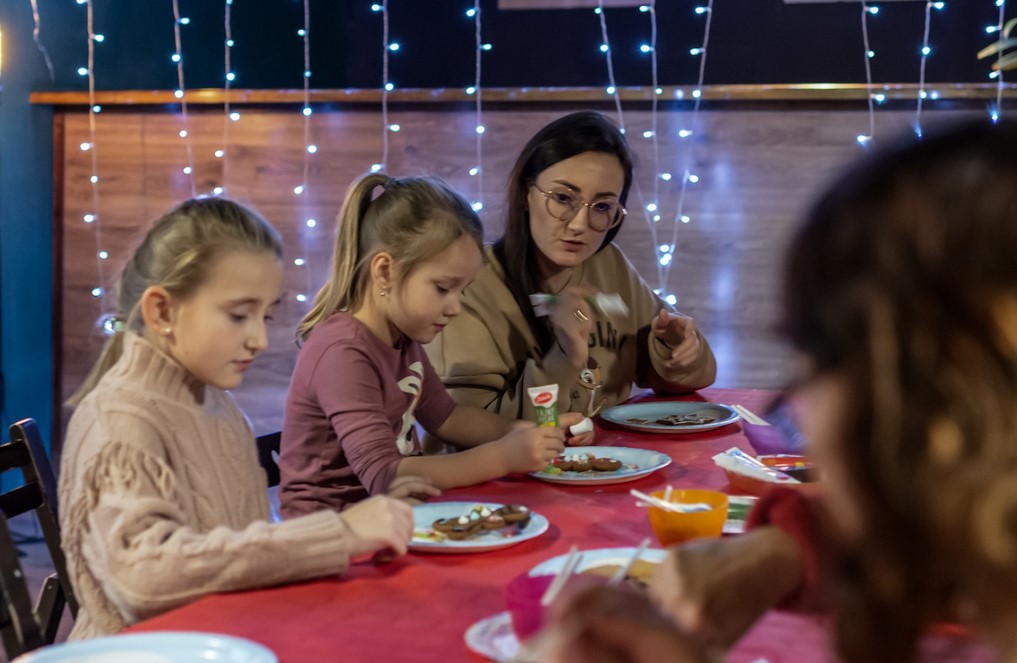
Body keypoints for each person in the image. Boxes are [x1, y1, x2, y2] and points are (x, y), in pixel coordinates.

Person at [537, 119, 1017, 663]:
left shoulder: (614, 275)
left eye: (826, 355)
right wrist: (791, 547)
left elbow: (684, 370)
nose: (800, 413)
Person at [59, 198, 415, 640]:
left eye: (265, 315)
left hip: (225, 640)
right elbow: (143, 577)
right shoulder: (120, 422)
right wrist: (336, 534)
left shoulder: (218, 404)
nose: (260, 339)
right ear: (163, 312)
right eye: (238, 315)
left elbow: (243, 543)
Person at [278, 173, 583, 517]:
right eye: (443, 288)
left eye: (462, 290)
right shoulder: (342, 352)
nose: (455, 307)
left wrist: (529, 433)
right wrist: (503, 456)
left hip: (398, 518)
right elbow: (386, 476)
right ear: (384, 271)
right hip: (333, 536)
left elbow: (448, 418)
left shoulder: (401, 336)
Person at [425, 111, 717, 426]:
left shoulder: (610, 266)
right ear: (526, 193)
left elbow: (684, 380)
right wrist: (564, 359)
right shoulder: (471, 285)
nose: (579, 225)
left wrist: (677, 351)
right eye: (563, 198)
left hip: (606, 465)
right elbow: (463, 432)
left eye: (603, 206)